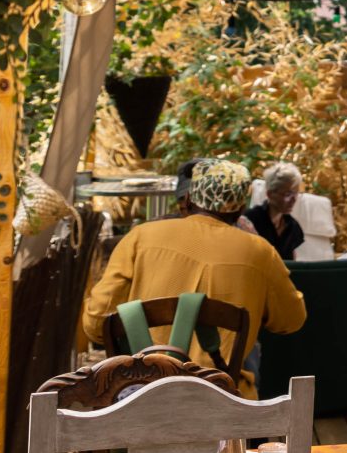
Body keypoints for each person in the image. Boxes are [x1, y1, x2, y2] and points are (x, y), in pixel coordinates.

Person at [81, 157, 306, 387]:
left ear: (188, 198)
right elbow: (291, 320)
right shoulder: (261, 252)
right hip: (224, 393)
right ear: (240, 209)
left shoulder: (140, 237)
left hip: (142, 390)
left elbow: (97, 324)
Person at [239, 161, 310, 263]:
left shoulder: (292, 226)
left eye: (296, 193)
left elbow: (292, 264)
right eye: (288, 194)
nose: (294, 199)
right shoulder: (249, 220)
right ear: (270, 194)